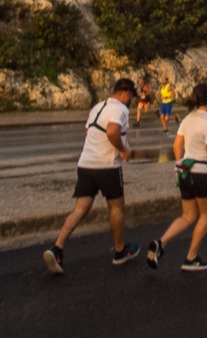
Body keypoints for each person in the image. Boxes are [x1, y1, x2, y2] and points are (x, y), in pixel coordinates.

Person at [45, 78, 138, 274]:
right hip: (107, 166)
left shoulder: (97, 107)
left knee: (80, 210)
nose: (131, 101)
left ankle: (57, 248)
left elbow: (87, 134)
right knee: (116, 207)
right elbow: (113, 131)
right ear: (127, 94)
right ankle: (119, 252)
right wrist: (122, 150)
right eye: (131, 97)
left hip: (85, 164)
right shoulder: (121, 109)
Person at [147, 83, 207, 271]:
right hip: (203, 173)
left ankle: (161, 242)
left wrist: (181, 161)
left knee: (188, 216)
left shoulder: (187, 119)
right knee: (206, 214)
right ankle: (191, 258)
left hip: (185, 172)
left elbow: (176, 145)